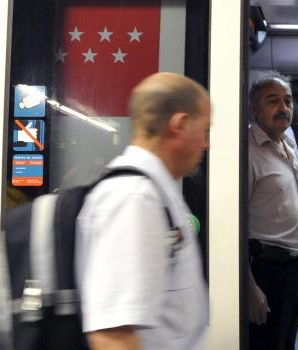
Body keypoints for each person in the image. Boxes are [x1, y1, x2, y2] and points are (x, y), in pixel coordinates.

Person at [75, 72, 210, 349]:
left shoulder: (156, 190)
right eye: (205, 130)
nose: (206, 144)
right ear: (180, 125)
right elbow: (113, 336)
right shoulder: (133, 198)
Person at [247, 71, 298, 350]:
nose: (283, 108)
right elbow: (234, 225)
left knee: (287, 343)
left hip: (293, 267)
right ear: (254, 110)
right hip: (264, 270)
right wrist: (248, 287)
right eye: (273, 101)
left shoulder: (288, 145)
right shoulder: (247, 151)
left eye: (288, 101)